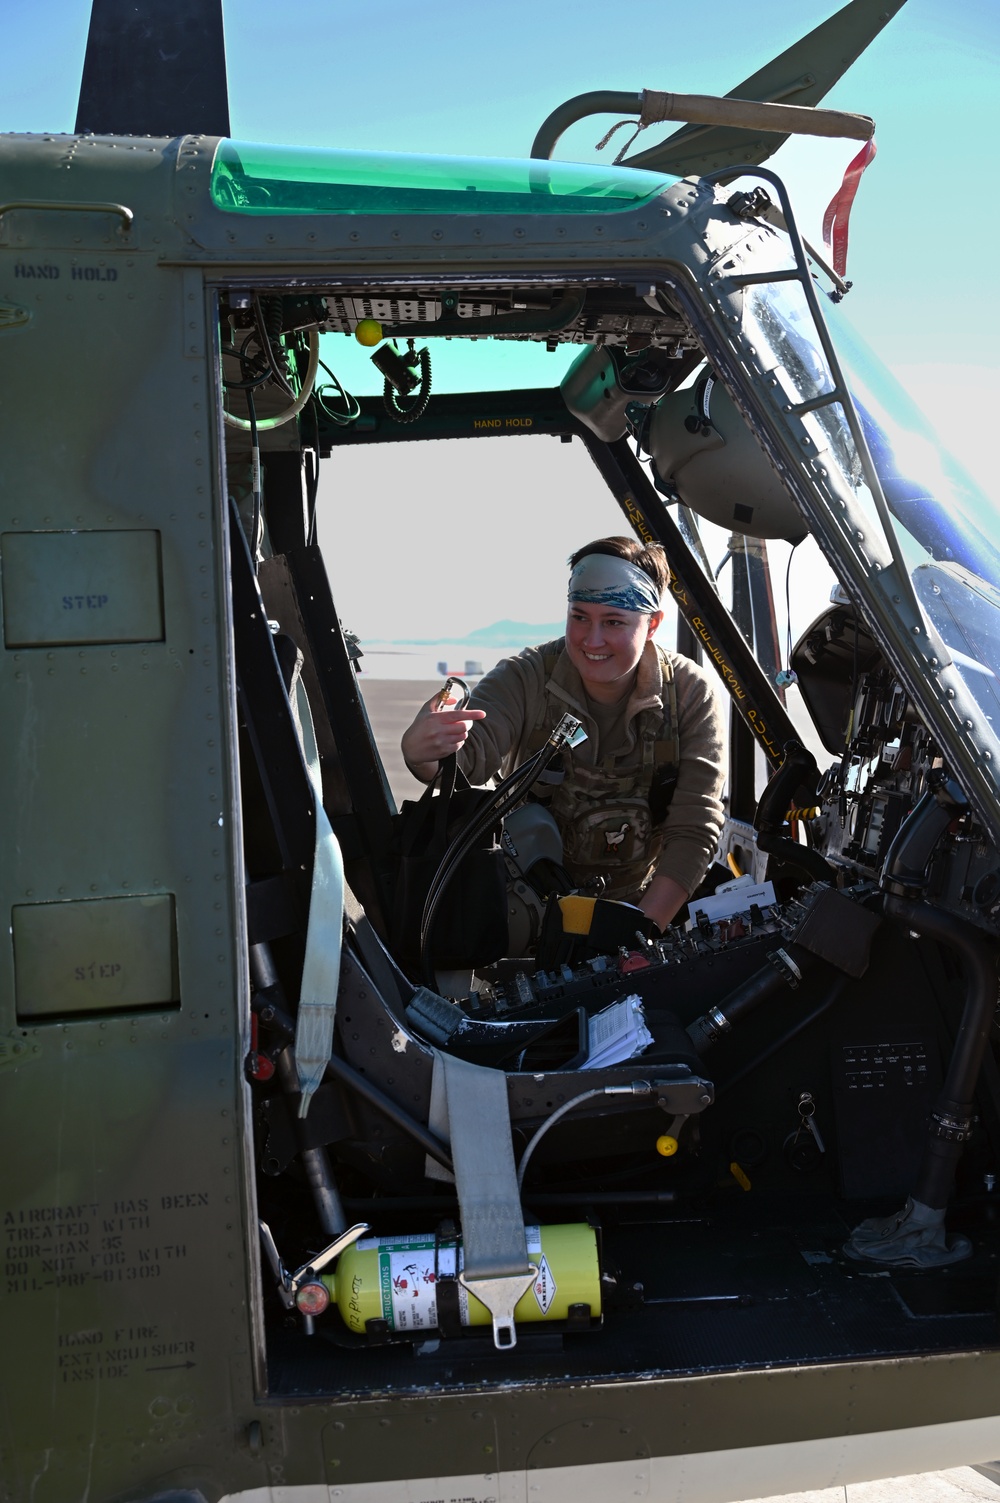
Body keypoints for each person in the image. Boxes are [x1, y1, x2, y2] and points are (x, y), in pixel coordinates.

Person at [400, 536, 726, 930]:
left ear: (653, 623)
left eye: (614, 622)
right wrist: (423, 751)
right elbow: (468, 760)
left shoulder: (691, 695)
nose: (592, 640)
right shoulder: (525, 678)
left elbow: (695, 827)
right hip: (529, 912)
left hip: (641, 908)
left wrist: (637, 933)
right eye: (580, 617)